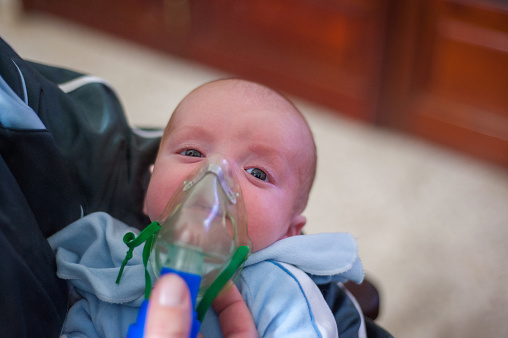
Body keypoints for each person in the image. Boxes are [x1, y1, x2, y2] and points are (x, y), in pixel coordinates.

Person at [49, 79, 365, 337]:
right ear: (148, 189)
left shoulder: (280, 291)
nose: (214, 173)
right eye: (192, 152)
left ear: (290, 232)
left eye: (257, 173)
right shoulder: (108, 260)